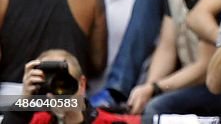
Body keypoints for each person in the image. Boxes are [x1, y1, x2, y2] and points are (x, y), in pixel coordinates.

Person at [7, 49, 140, 124]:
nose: (58, 92)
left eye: (64, 83)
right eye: (50, 84)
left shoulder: (111, 123)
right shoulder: (35, 121)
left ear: (81, 84)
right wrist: (24, 103)